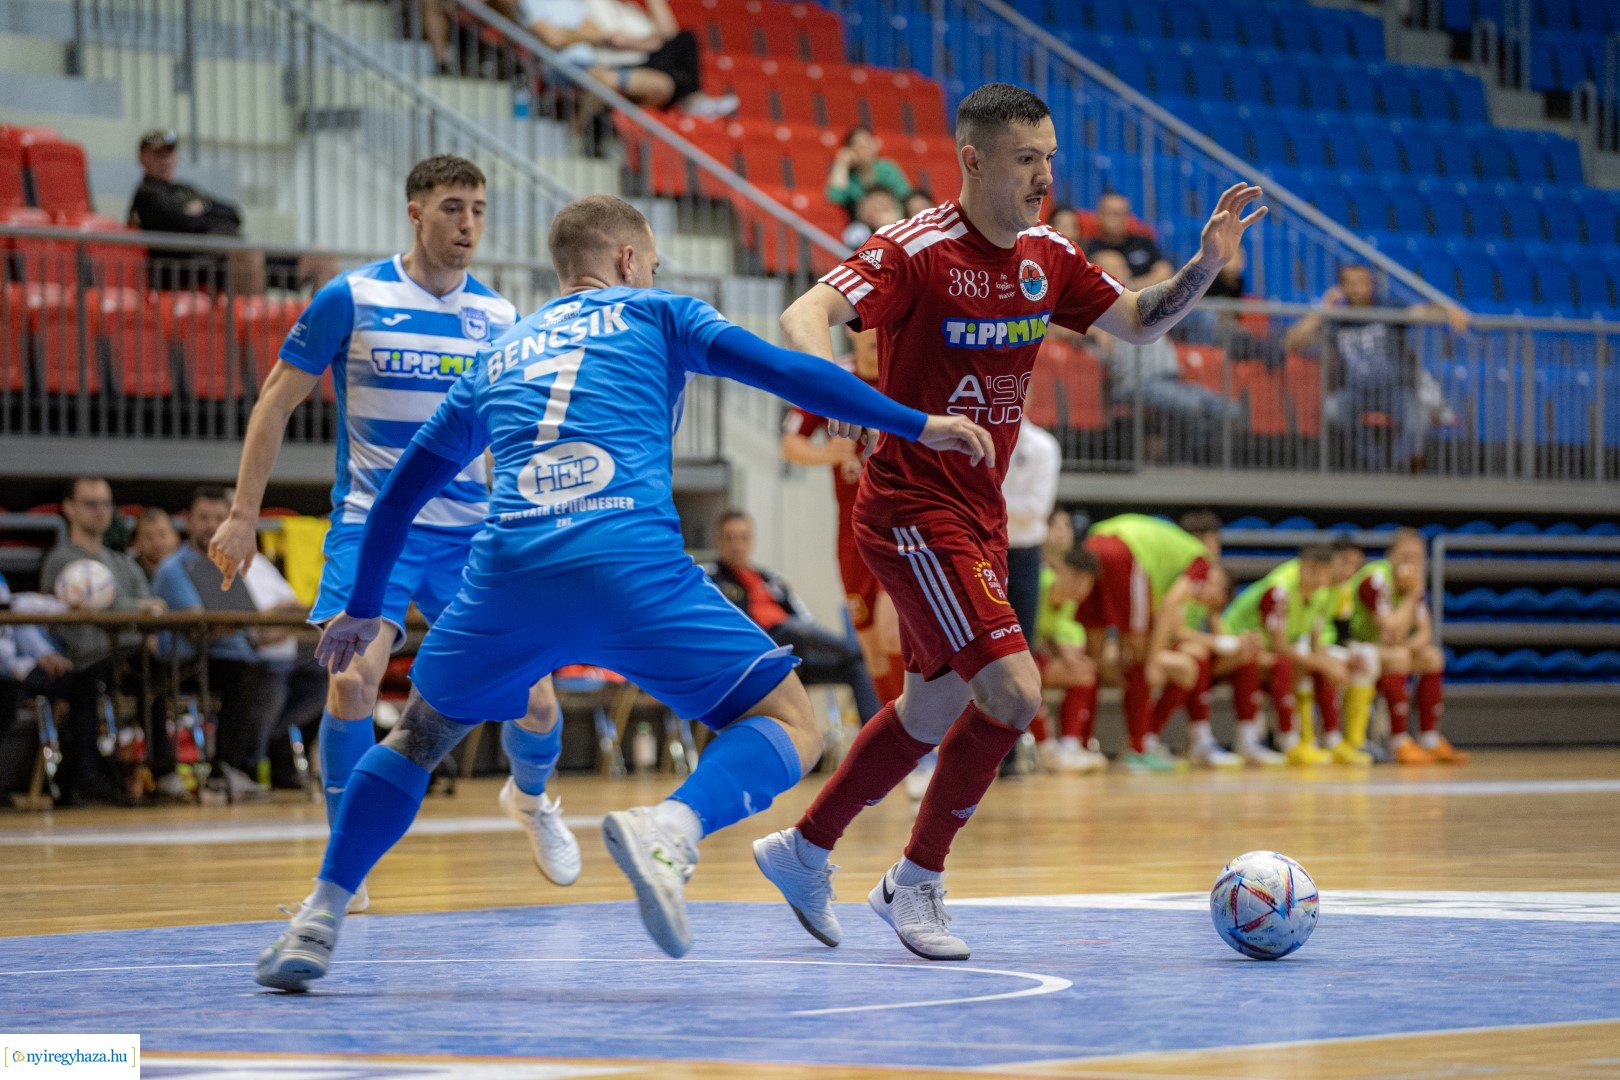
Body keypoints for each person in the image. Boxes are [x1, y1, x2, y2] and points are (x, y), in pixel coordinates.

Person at [252, 193, 991, 990]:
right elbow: (790, 370)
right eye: (653, 262)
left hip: (509, 577)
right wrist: (915, 423)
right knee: (789, 720)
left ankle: (319, 916)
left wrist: (365, 607)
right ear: (630, 261)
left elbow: (396, 497)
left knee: (417, 739)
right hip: (630, 564)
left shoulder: (499, 352)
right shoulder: (659, 313)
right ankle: (672, 826)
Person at [754, 82, 1267, 961]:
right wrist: (833, 384)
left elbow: (1140, 323)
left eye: (1051, 159)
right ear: (973, 159)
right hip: (912, 508)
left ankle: (803, 848)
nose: (1043, 176)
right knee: (1016, 692)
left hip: (978, 515)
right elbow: (806, 314)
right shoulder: (917, 249)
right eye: (1027, 159)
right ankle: (914, 880)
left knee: (932, 708)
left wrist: (1206, 263)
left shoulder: (1047, 256)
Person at [209, 155, 578, 914]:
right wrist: (244, 513)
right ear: (415, 213)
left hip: (473, 537)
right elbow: (275, 405)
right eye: (451, 207)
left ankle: (533, 799)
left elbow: (511, 436)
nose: (468, 223)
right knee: (350, 679)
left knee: (536, 703)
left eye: (478, 207)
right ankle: (348, 861)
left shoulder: (502, 319)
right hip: (373, 525)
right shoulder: (353, 297)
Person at [779, 328, 905, 709]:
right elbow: (790, 444)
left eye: (883, 325)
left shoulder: (906, 374)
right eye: (865, 325)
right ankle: (898, 740)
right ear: (852, 332)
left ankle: (921, 737)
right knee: (870, 645)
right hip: (852, 534)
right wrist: (830, 455)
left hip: (902, 528)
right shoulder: (834, 379)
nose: (873, 334)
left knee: (891, 633)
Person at [1284, 265, 1468, 472]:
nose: (1358, 288)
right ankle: (1374, 462)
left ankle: (1400, 462)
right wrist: (1323, 310)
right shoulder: (1337, 320)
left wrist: (1447, 309)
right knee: (1332, 409)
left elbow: (1422, 312)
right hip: (1355, 392)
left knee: (1419, 415)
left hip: (1394, 391)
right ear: (1342, 288)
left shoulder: (1387, 307)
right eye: (1352, 284)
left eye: (1363, 282)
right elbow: (1292, 341)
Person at [151, 487, 273, 800]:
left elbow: (246, 620)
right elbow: (198, 626)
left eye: (220, 518)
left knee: (285, 673)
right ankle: (223, 771)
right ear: (188, 521)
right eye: (203, 517)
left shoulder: (229, 564)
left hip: (231, 656)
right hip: (184, 663)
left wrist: (236, 622)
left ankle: (237, 767)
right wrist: (238, 620)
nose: (211, 525)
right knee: (243, 675)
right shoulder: (174, 568)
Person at [704, 510, 882, 723]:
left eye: (743, 538)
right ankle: (857, 649)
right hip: (757, 655)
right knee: (791, 628)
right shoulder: (708, 579)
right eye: (729, 538)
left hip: (795, 656)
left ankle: (879, 750)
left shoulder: (771, 579)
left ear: (752, 540)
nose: (737, 545)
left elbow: (806, 619)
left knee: (856, 668)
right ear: (718, 541)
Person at [127, 130, 336, 293]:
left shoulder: (185, 190)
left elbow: (233, 214)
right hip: (192, 267)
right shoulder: (148, 195)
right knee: (249, 256)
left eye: (170, 153)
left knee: (321, 256)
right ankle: (251, 340)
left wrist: (204, 209)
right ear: (143, 159)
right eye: (158, 154)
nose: (166, 160)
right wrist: (202, 215)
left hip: (227, 256)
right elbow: (187, 224)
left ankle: (317, 337)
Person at [1086, 249, 1243, 460]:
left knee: (1229, 409)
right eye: (1113, 269)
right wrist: (1091, 330)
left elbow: (1175, 294)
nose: (1122, 272)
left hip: (1170, 380)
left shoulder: (1140, 297)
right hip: (1136, 383)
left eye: (1123, 267)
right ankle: (1184, 460)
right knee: (1192, 405)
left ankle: (1194, 458)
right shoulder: (1093, 304)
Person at [1221, 545, 1355, 766]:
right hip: (1236, 642)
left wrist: (1329, 663)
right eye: (1313, 571)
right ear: (1301, 568)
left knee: (1323, 666)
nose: (1318, 577)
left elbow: (1315, 644)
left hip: (1271, 647)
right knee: (1284, 665)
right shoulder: (1280, 590)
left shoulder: (1323, 593)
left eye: (1323, 572)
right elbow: (1279, 645)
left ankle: (1330, 739)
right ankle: (1288, 741)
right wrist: (1323, 664)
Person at [1345, 528, 1467, 764]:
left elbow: (1425, 633)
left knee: (1432, 657)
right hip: (1357, 644)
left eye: (1417, 558)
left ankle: (1429, 738)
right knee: (1399, 657)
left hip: (1387, 647)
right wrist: (1411, 597)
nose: (1412, 564)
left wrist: (1405, 643)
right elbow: (1390, 631)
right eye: (1406, 557)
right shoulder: (1376, 580)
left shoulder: (1412, 583)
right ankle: (1398, 741)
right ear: (1391, 556)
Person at [0, 572, 123, 805]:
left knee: (81, 681)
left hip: (15, 668)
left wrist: (45, 654)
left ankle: (82, 777)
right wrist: (18, 667)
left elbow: (15, 613)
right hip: (9, 668)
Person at [514, 0, 737, 118]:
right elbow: (600, 37)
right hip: (613, 60)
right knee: (680, 59)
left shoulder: (628, 9)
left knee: (684, 44)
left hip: (634, 57)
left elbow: (666, 34)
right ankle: (692, 100)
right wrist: (637, 43)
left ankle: (692, 99)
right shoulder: (591, 5)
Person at [1085, 192, 1173, 286]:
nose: (1119, 219)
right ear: (1099, 215)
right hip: (1115, 299)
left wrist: (1132, 287)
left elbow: (1164, 271)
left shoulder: (1144, 242)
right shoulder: (1089, 249)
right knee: (1111, 262)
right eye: (1113, 214)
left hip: (1150, 297)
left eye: (1124, 213)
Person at [826, 126, 912, 216]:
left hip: (894, 220)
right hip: (864, 225)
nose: (865, 148)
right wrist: (842, 164)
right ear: (850, 151)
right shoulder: (849, 176)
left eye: (868, 143)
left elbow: (906, 197)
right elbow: (835, 199)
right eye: (859, 146)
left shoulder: (887, 168)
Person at [130, 507, 180, 583]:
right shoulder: (129, 573)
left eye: (162, 534)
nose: (157, 543)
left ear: (176, 537)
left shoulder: (191, 568)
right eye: (148, 537)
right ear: (137, 543)